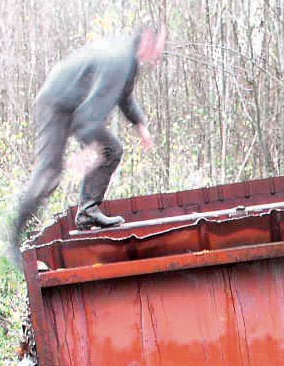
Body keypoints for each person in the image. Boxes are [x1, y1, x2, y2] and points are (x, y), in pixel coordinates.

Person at [9, 24, 166, 257]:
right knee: (52, 172)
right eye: (159, 47)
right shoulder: (119, 61)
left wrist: (140, 125)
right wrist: (88, 151)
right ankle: (14, 238)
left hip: (67, 101)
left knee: (107, 150)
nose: (160, 55)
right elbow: (89, 118)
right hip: (56, 104)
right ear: (147, 41)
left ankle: (87, 213)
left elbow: (124, 97)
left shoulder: (128, 60)